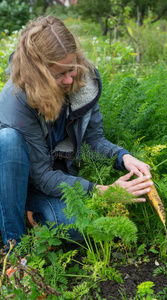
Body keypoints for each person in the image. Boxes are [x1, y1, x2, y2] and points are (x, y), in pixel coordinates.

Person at [0, 15, 153, 251]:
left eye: (71, 69)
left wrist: (124, 158)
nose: (70, 79)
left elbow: (93, 141)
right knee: (7, 140)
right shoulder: (16, 97)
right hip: (20, 180)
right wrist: (102, 192)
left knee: (74, 225)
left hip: (56, 181)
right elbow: (40, 175)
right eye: (59, 74)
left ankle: (32, 214)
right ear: (38, 73)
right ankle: (15, 248)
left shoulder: (83, 80)